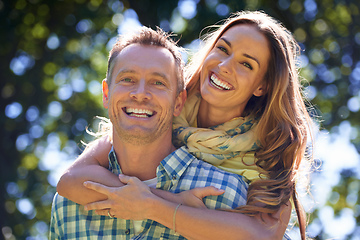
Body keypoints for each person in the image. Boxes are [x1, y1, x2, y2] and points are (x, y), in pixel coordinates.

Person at [56, 11, 313, 239]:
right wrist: (169, 200)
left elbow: (262, 236)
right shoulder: (159, 111)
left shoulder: (267, 153)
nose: (224, 66)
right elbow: (71, 180)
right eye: (223, 49)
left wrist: (154, 206)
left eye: (246, 64)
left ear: (262, 86)